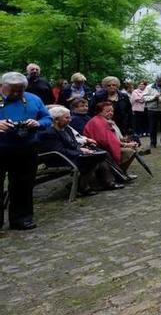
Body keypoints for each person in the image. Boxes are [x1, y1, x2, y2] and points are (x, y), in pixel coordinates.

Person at [0, 71, 52, 230]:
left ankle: (21, 218)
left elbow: (47, 118)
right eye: (12, 89)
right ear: (2, 87)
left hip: (26, 148)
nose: (16, 93)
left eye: (20, 90)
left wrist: (37, 123)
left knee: (23, 184)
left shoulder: (34, 99)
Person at [38, 106, 123, 194]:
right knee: (92, 160)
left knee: (100, 156)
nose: (70, 120)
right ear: (56, 120)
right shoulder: (49, 133)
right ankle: (83, 186)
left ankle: (108, 182)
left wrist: (82, 148)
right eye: (67, 118)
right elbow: (59, 151)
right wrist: (80, 152)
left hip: (71, 155)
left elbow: (74, 144)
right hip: (59, 159)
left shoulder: (66, 129)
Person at [84, 101, 139, 177]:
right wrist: (126, 145)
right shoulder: (98, 122)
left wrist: (126, 142)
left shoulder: (105, 121)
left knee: (133, 148)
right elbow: (107, 141)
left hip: (107, 146)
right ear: (100, 112)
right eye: (107, 111)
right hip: (101, 149)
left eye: (112, 111)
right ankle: (119, 173)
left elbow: (113, 138)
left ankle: (121, 172)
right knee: (130, 151)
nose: (110, 113)